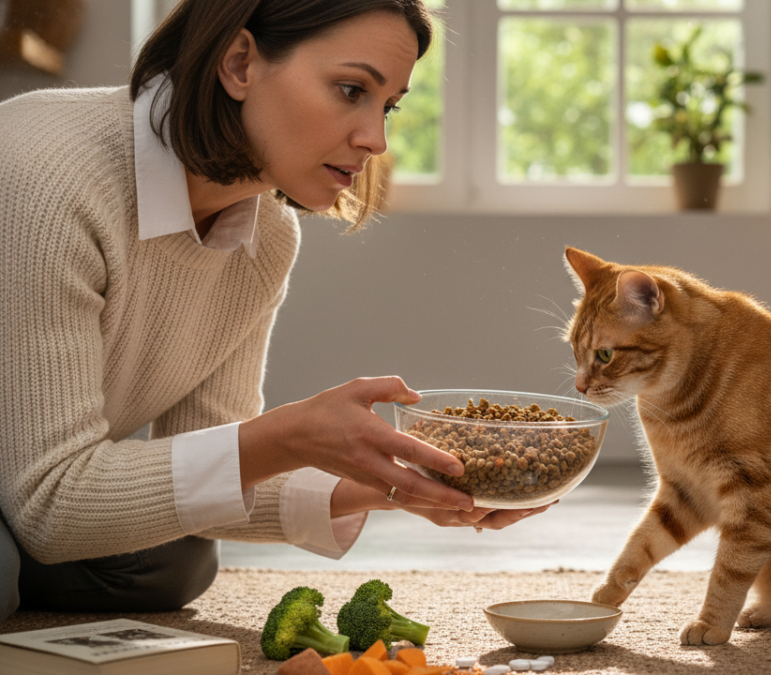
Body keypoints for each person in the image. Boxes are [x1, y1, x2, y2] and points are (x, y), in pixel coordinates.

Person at [0, 0, 549, 625]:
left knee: (173, 559)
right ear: (239, 63)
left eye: (387, 105)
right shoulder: (45, 173)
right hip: (33, 486)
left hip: (21, 475)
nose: (376, 138)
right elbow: (49, 506)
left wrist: (399, 485)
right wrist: (290, 435)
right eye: (351, 90)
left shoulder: (265, 236)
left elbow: (208, 451)